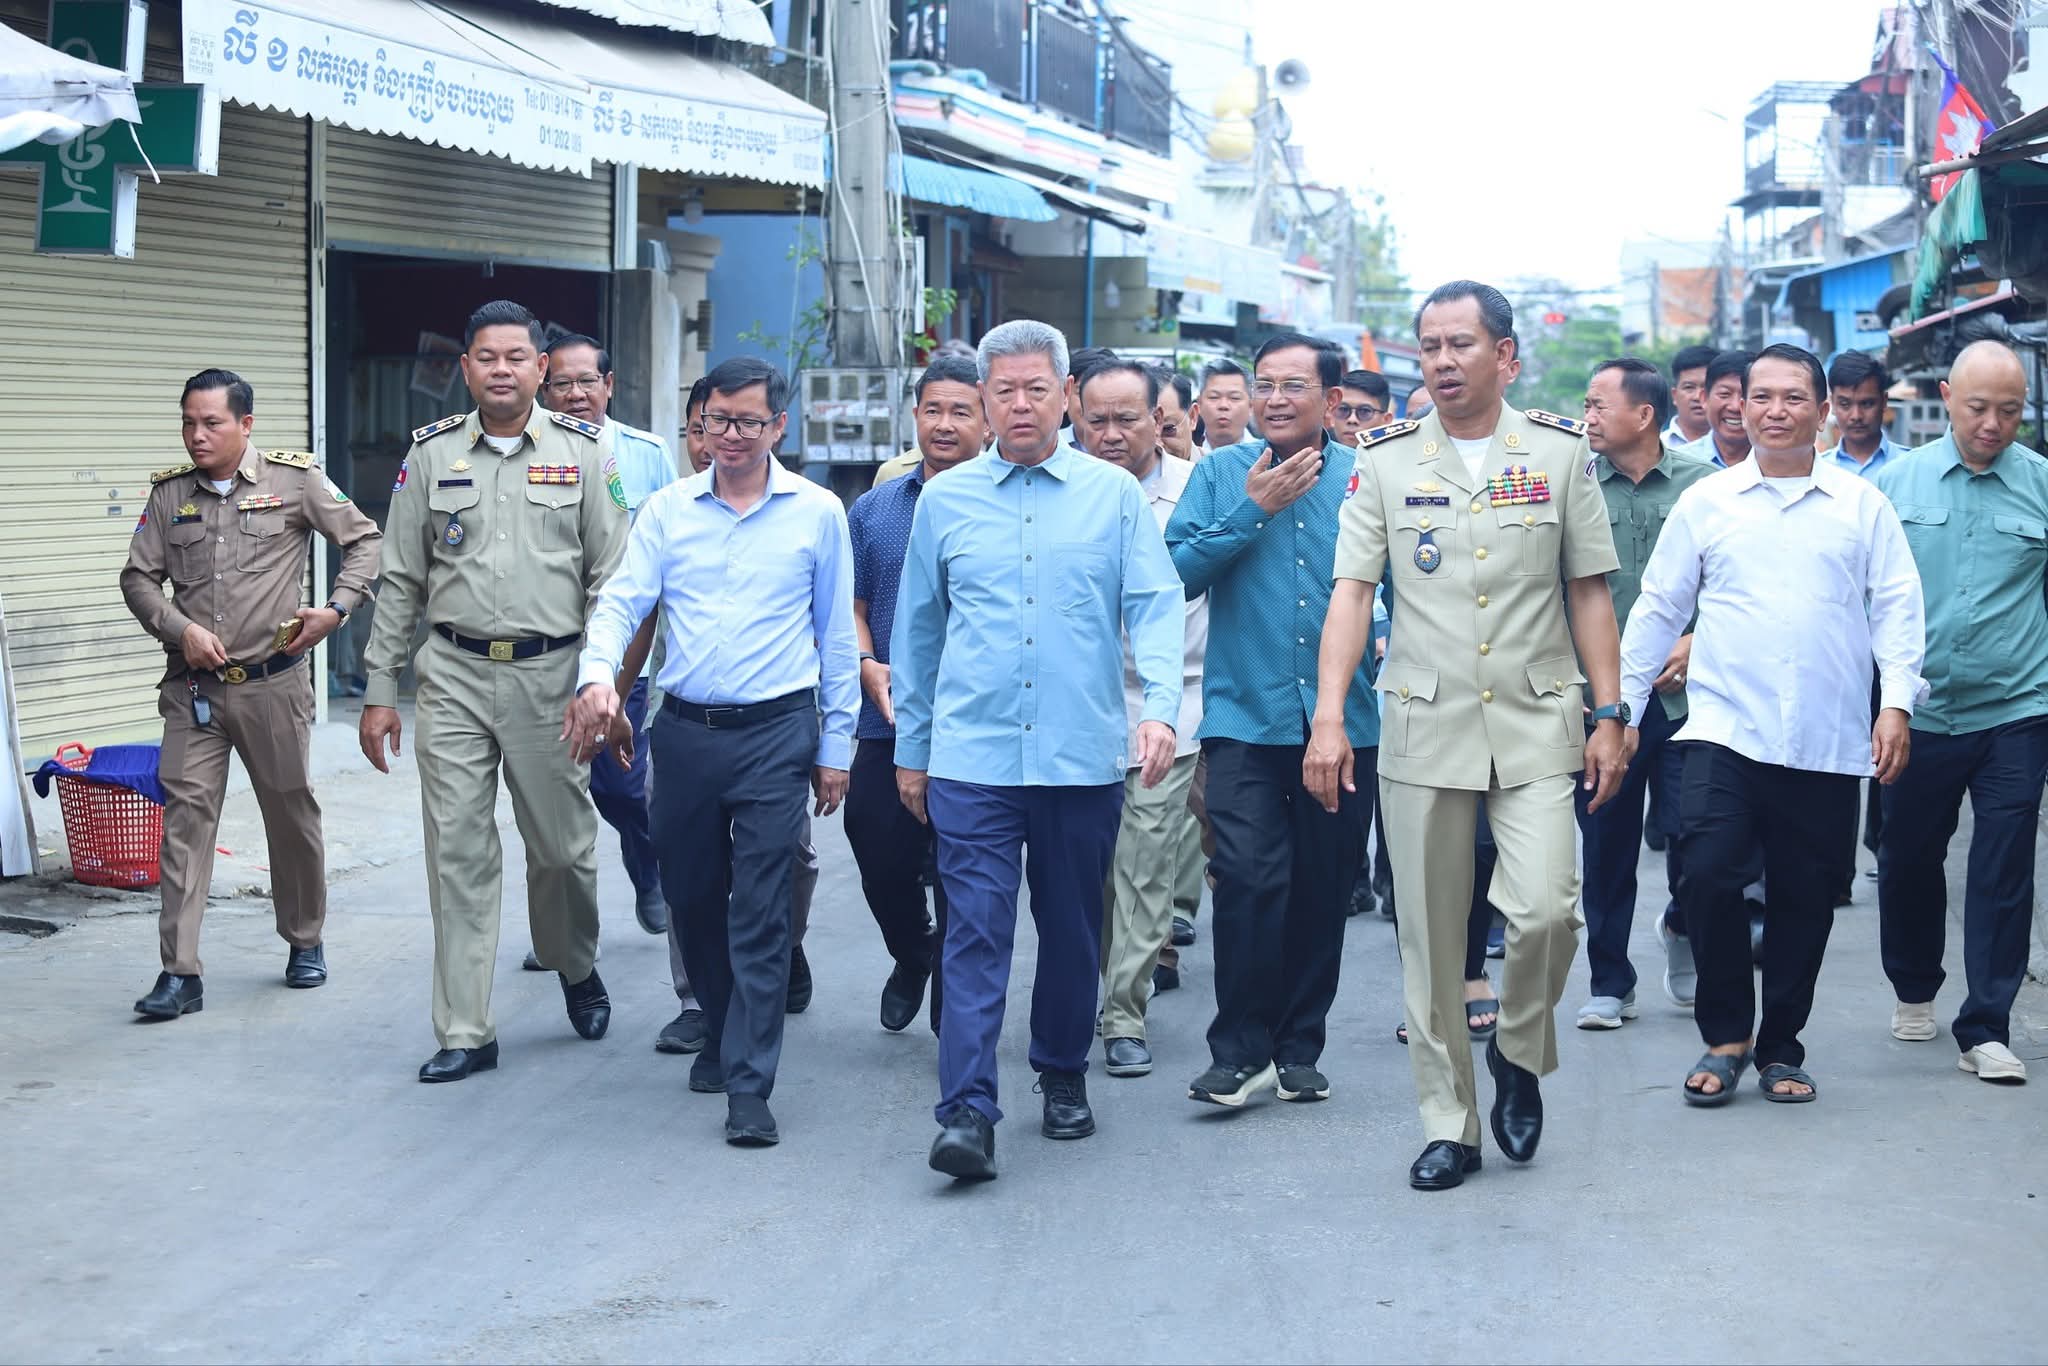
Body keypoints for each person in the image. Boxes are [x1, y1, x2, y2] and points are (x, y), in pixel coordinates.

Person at [1308, 280, 1629, 1191]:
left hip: (1536, 717)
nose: (1443, 361)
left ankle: (1518, 1051)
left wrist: (1611, 714)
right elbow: (1352, 594)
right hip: (1425, 721)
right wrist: (1329, 717)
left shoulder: (1560, 454)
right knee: (1432, 940)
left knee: (1548, 910)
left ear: (1506, 356)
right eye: (1430, 346)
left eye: (1461, 344)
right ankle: (1449, 1123)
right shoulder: (1383, 461)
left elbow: (1589, 591)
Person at [893, 319, 1183, 1183]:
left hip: (1079, 757)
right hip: (972, 759)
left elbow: (1154, 605)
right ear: (985, 401)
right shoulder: (945, 501)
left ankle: (1061, 1073)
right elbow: (919, 633)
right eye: (1004, 391)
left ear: (1067, 397)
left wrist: (1161, 711)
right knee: (974, 934)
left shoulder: (1112, 496)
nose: (1020, 405)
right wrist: (913, 749)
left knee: (1071, 929)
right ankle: (966, 1111)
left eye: (1037, 390)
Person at [1619, 343, 1924, 1109]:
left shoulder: (1862, 505)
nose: (1775, 411)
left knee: (1806, 896)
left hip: (1825, 736)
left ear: (1821, 412)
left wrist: (1895, 704)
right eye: (1761, 396)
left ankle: (1781, 1045)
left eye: (1793, 398)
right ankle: (1726, 1036)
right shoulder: (1709, 503)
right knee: (1706, 871)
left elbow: (1897, 606)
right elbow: (1658, 607)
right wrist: (1620, 709)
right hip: (1724, 728)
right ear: (1739, 406)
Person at [568, 356, 858, 1148]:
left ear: (778, 427)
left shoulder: (817, 513)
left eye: (748, 422)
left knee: (760, 908)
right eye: (717, 421)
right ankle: (724, 1026)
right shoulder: (667, 511)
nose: (730, 436)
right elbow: (622, 602)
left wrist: (837, 745)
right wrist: (596, 679)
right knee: (692, 898)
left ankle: (750, 1084)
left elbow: (836, 637)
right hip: (687, 734)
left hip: (778, 732)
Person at [360, 300, 628, 1082]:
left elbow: (613, 579)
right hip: (454, 677)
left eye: (516, 357)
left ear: (541, 368)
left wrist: (602, 683)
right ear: (466, 368)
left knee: (562, 851)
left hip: (553, 680)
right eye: (486, 357)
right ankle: (466, 1029)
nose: (501, 370)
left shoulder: (585, 454)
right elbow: (401, 578)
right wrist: (379, 687)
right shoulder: (431, 455)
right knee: (458, 853)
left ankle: (573, 961)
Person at [119, 369, 382, 1019]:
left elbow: (364, 541)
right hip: (195, 692)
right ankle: (179, 972)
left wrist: (336, 610)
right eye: (188, 422)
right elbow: (138, 579)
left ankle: (304, 938)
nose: (197, 435)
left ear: (246, 424)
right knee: (184, 826)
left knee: (291, 816)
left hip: (273, 685)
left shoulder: (294, 482)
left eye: (212, 422)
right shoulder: (169, 495)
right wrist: (179, 630)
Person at [1165, 332, 1379, 1113]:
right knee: (1248, 879)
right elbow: (1174, 573)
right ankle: (1239, 1051)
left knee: (1322, 890)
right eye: (1265, 385)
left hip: (1346, 724)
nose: (1276, 399)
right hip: (1243, 720)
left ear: (1331, 399)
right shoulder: (1220, 474)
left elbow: (1397, 586)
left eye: (1294, 385)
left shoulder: (1367, 477)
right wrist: (1252, 512)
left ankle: (1298, 1048)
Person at [1873, 341, 2048, 1084]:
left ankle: (1987, 1027)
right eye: (1978, 408)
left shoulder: (2041, 485)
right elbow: (1861, 597)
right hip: (1918, 710)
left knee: (2005, 864)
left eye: (2011, 411)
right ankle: (1915, 984)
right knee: (1909, 857)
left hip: (2018, 707)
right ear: (1946, 396)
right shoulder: (1893, 486)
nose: (1993, 425)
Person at [844, 356, 984, 1033]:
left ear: (988, 419)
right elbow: (852, 604)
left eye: (961, 411)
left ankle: (954, 1013)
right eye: (934, 410)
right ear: (915, 416)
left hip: (978, 722)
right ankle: (912, 951)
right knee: (877, 848)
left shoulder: (1004, 506)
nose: (945, 424)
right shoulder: (874, 510)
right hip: (890, 718)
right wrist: (865, 661)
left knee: (963, 866)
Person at [1573, 358, 1716, 1024]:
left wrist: (1697, 639)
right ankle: (1610, 981)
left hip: (1689, 698)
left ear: (1644, 414)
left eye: (1599, 405)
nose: (1588, 417)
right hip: (1602, 701)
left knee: (1698, 839)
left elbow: (1734, 583)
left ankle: (1683, 928)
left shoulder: (1704, 487)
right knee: (1606, 841)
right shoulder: (1573, 486)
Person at [1082, 359, 1208, 1080]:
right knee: (1093, 870)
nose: (1110, 434)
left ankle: (1123, 1013)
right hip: (1078, 708)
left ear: (1158, 421)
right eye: (1096, 420)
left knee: (1144, 859)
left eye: (1126, 419)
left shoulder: (1199, 490)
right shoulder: (1061, 490)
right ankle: (1093, 985)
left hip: (1172, 702)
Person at [527, 333, 671, 945]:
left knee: (619, 784)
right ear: (544, 388)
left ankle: (649, 868)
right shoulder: (524, 451)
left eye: (587, 381)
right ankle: (560, 932)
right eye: (562, 383)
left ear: (608, 385)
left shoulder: (647, 455)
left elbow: (668, 556)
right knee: (547, 801)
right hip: (543, 652)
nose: (575, 394)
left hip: (623, 654)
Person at [1823, 351, 1900, 477]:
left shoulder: (1910, 466)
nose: (1856, 416)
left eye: (1867, 404)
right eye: (1845, 404)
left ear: (1884, 401)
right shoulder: (1818, 471)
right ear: (1832, 404)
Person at [1679, 351, 1755, 468]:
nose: (1735, 407)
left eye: (1745, 395)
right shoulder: (1680, 464)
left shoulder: (1781, 465)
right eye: (1725, 394)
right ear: (1704, 398)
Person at [1194, 358, 1253, 456]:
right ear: (1199, 404)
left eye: (1234, 398)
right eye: (1214, 397)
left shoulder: (1269, 455)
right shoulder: (1184, 455)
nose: (1223, 405)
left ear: (1251, 406)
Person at [1665, 344, 1718, 449]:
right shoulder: (1657, 447)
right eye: (1689, 387)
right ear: (1674, 396)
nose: (1697, 397)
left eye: (1706, 387)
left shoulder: (1739, 446)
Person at [1334, 369, 1393, 446]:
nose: (1352, 420)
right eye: (1343, 409)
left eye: (1364, 411)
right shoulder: (1319, 450)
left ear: (1386, 420)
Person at [1155, 368, 1197, 462]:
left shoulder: (1218, 468)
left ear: (1192, 417)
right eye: (1147, 433)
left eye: (1167, 429)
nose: (1157, 444)